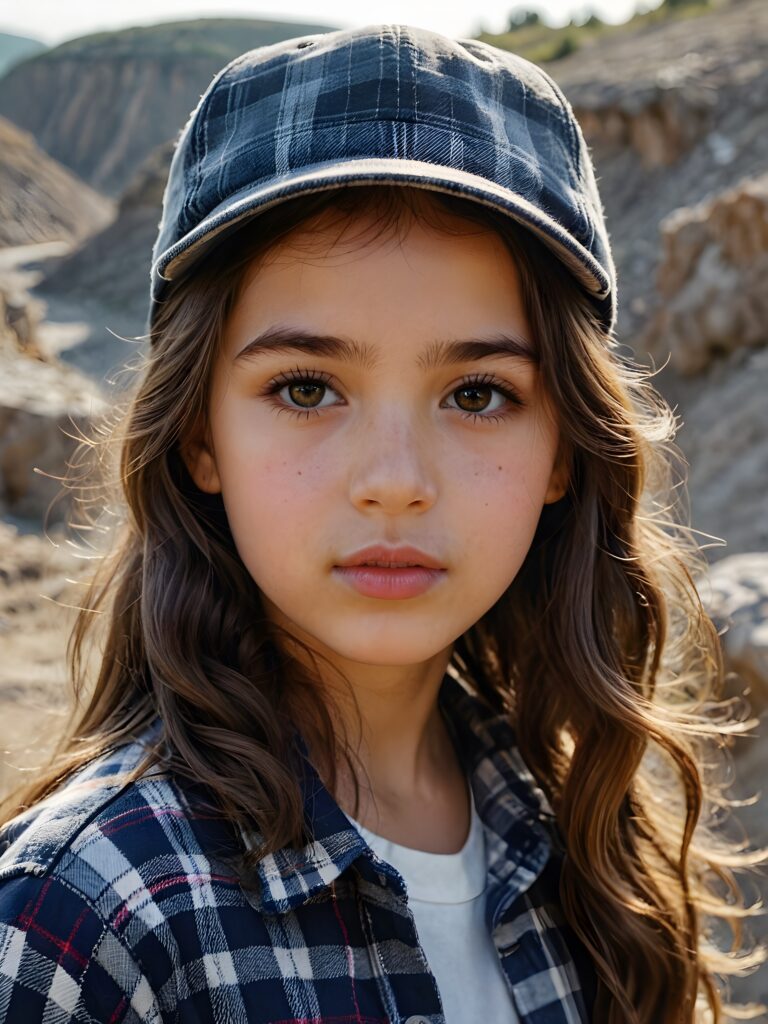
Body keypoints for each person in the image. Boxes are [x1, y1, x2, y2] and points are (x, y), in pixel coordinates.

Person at [0, 22, 764, 1024]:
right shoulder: (83, 919)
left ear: (566, 451)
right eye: (308, 387)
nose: (395, 483)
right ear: (199, 438)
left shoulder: (587, 844)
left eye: (479, 394)